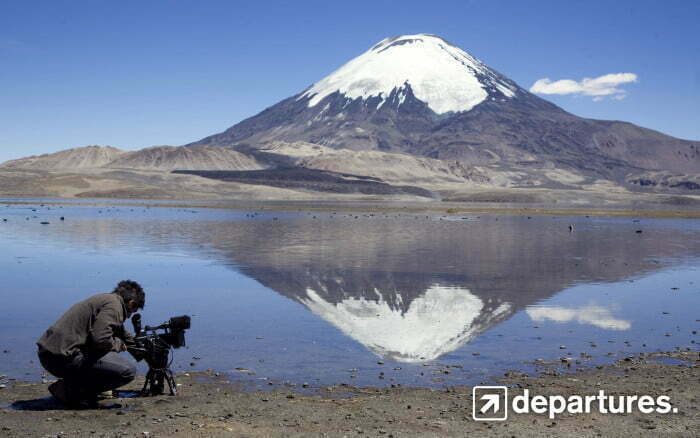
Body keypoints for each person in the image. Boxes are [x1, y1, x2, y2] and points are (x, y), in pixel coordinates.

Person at [37, 280, 145, 407]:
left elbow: (119, 330)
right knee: (127, 371)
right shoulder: (115, 307)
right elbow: (100, 339)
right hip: (60, 359)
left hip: (49, 353)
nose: (129, 316)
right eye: (132, 311)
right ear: (131, 303)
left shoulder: (107, 300)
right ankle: (70, 390)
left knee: (110, 360)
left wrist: (139, 347)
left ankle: (77, 387)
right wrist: (118, 345)